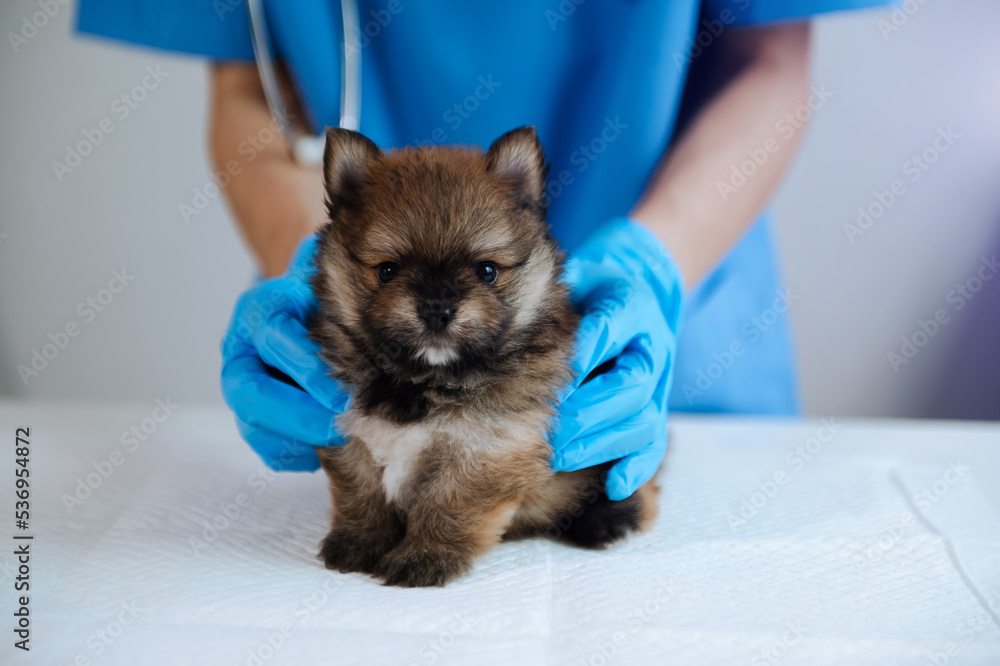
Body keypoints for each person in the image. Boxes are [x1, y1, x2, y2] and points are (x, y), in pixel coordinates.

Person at [78, 0, 890, 500]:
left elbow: (772, 64)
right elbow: (246, 85)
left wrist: (652, 263)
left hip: (669, 353)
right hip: (361, 377)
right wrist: (313, 268)